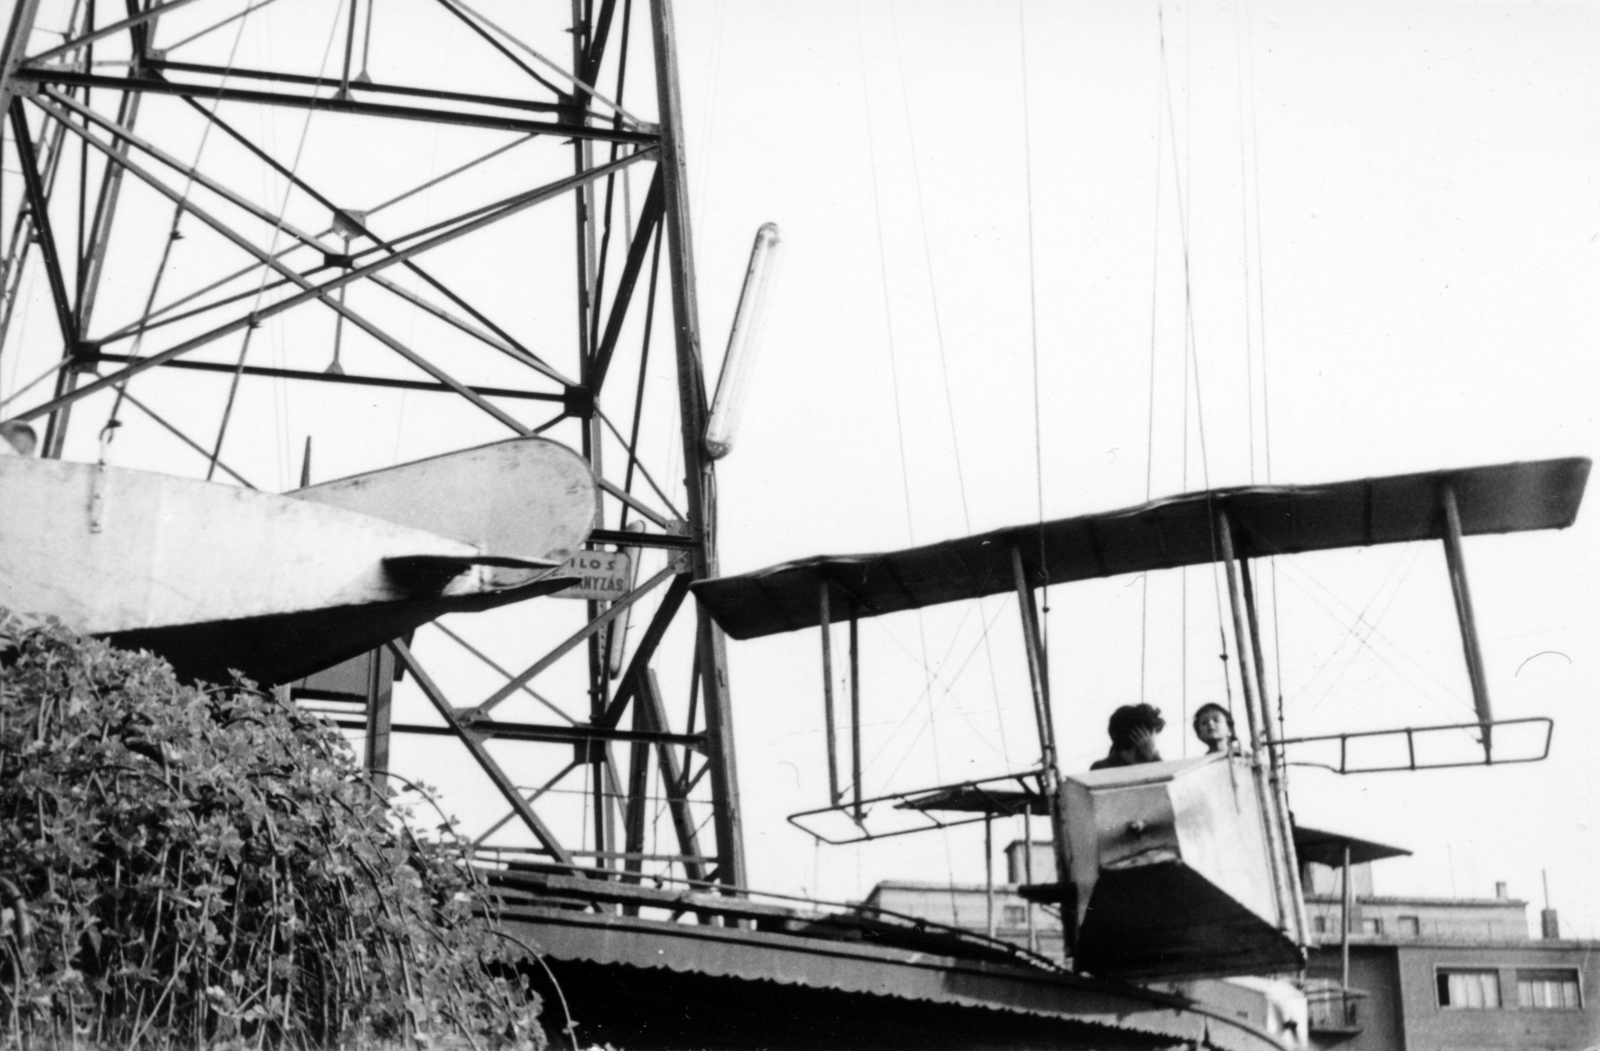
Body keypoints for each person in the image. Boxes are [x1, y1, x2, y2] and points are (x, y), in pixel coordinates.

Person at [1089, 703, 1165, 769]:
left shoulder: (1150, 763)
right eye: (1152, 735)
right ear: (1139, 735)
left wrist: (1153, 756)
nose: (1153, 742)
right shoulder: (1102, 768)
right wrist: (1153, 756)